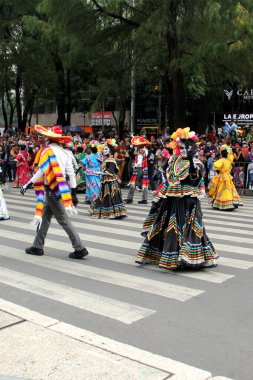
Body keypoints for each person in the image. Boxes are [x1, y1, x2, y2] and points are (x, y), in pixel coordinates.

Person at [136, 127, 218, 270]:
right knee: (168, 227)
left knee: (190, 229)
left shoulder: (197, 163)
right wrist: (160, 191)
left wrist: (192, 162)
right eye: (182, 147)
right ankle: (167, 255)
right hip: (171, 200)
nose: (184, 150)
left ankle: (187, 257)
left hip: (189, 201)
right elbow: (169, 179)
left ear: (193, 148)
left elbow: (195, 178)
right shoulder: (174, 161)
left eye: (187, 147)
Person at [20, 125, 89, 259]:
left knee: (63, 219)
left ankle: (79, 247)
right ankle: (37, 246)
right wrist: (73, 192)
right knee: (45, 218)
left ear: (49, 138)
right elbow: (71, 173)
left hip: (52, 188)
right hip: (61, 187)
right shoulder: (65, 153)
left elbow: (41, 170)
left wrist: (28, 183)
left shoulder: (47, 151)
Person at [90, 140, 127, 219]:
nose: (104, 150)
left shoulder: (111, 160)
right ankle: (107, 212)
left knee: (109, 197)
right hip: (105, 180)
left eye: (106, 149)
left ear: (110, 150)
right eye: (103, 149)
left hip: (111, 181)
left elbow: (111, 171)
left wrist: (99, 173)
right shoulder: (106, 159)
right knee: (104, 196)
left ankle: (112, 213)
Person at [208, 145, 243, 210]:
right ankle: (231, 202)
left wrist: (219, 172)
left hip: (222, 176)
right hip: (228, 176)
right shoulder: (229, 160)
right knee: (229, 189)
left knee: (221, 189)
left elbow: (215, 166)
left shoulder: (221, 160)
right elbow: (231, 156)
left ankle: (223, 203)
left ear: (221, 154)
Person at [125, 136, 150, 205]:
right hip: (145, 168)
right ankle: (144, 199)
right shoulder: (145, 150)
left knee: (133, 183)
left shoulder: (140, 151)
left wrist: (134, 166)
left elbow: (139, 162)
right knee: (144, 183)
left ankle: (130, 198)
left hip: (139, 168)